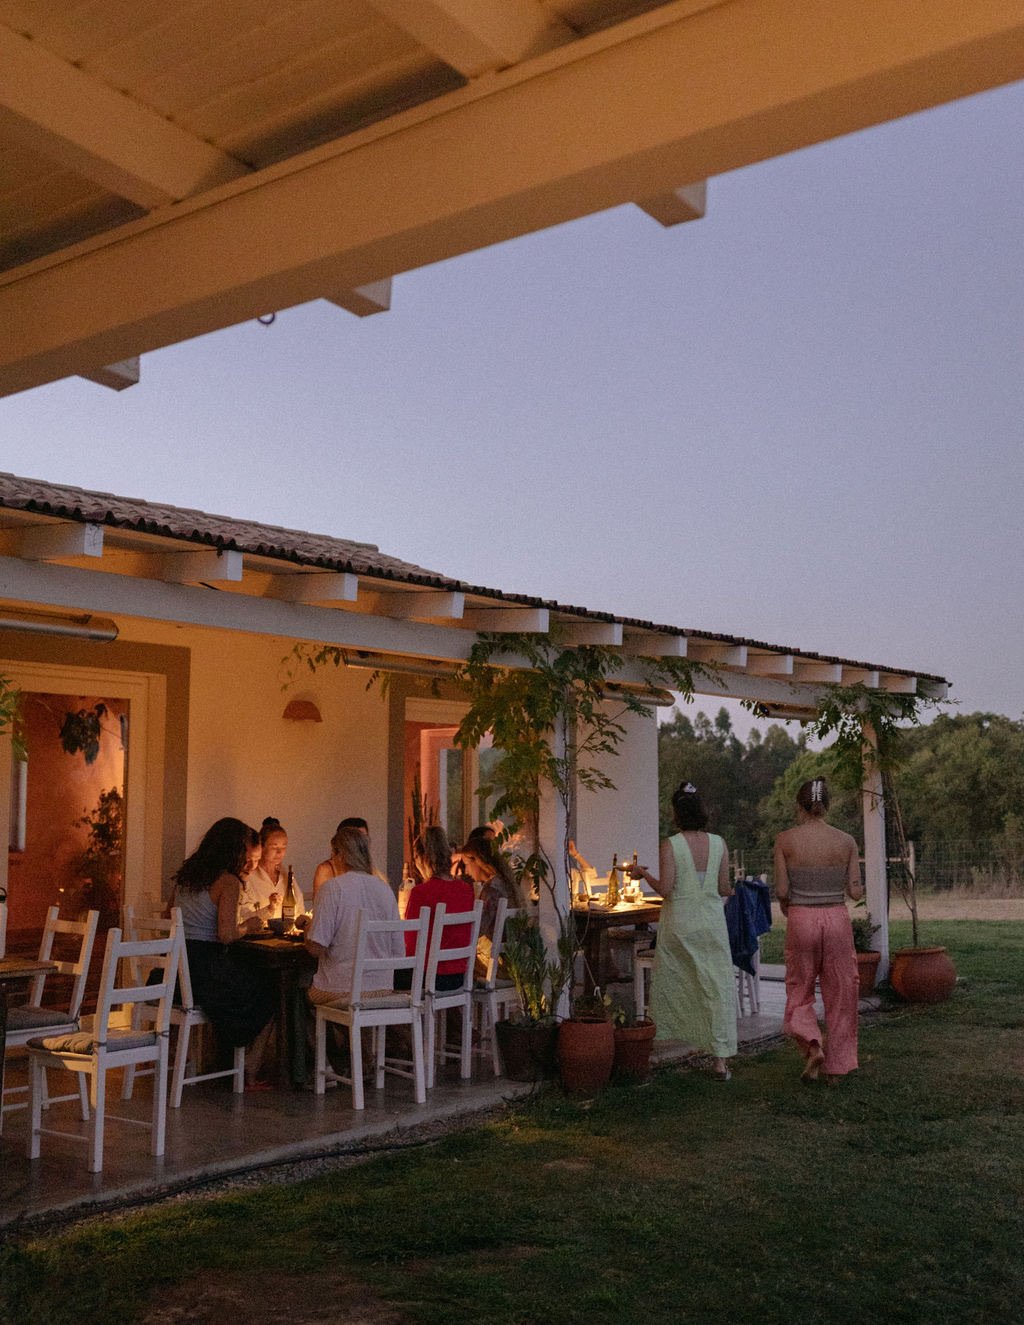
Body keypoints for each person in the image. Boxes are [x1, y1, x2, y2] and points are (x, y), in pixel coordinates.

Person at [634, 781, 736, 1081]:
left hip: (680, 922)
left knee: (675, 981)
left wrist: (643, 874)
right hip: (712, 924)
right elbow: (724, 887)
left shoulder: (671, 845)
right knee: (715, 987)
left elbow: (666, 889)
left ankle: (660, 1043)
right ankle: (719, 1061)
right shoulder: (719, 843)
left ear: (677, 813)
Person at [171, 817, 277, 1088]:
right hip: (206, 973)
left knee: (245, 981)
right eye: (246, 857)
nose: (249, 865)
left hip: (174, 974)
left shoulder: (186, 877)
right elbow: (226, 934)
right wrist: (250, 925)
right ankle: (248, 1069)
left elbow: (167, 920)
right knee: (270, 990)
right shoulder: (227, 881)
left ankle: (223, 1064)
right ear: (233, 850)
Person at [774, 775, 863, 1085]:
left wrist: (790, 901)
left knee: (799, 988)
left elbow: (782, 890)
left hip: (801, 919)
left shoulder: (785, 840)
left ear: (799, 806)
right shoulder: (846, 841)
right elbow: (855, 892)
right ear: (828, 805)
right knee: (841, 991)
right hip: (836, 919)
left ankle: (813, 1045)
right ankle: (836, 1068)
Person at [305, 825, 401, 1004]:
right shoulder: (385, 889)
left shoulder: (333, 888)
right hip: (383, 988)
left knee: (298, 991)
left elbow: (316, 948)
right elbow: (398, 951)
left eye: (333, 854)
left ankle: (321, 1022)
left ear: (340, 855)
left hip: (341, 990)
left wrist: (307, 928)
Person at [399, 825, 475, 991]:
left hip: (429, 977)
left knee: (379, 975)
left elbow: (410, 944)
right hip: (458, 976)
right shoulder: (466, 890)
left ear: (421, 858)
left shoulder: (421, 893)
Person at [458, 835, 522, 976]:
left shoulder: (491, 890)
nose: (466, 871)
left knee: (453, 962)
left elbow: (477, 930)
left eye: (466, 864)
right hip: (515, 960)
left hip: (498, 965)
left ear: (477, 861)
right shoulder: (507, 884)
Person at [244, 816, 305, 923]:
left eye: (283, 847)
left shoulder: (286, 875)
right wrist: (269, 909)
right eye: (274, 847)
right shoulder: (249, 876)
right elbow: (242, 917)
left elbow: (299, 908)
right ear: (262, 847)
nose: (279, 852)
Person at [312, 817, 369, 897]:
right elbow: (321, 902)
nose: (362, 843)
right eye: (357, 839)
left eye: (365, 838)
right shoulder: (326, 870)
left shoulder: (372, 871)